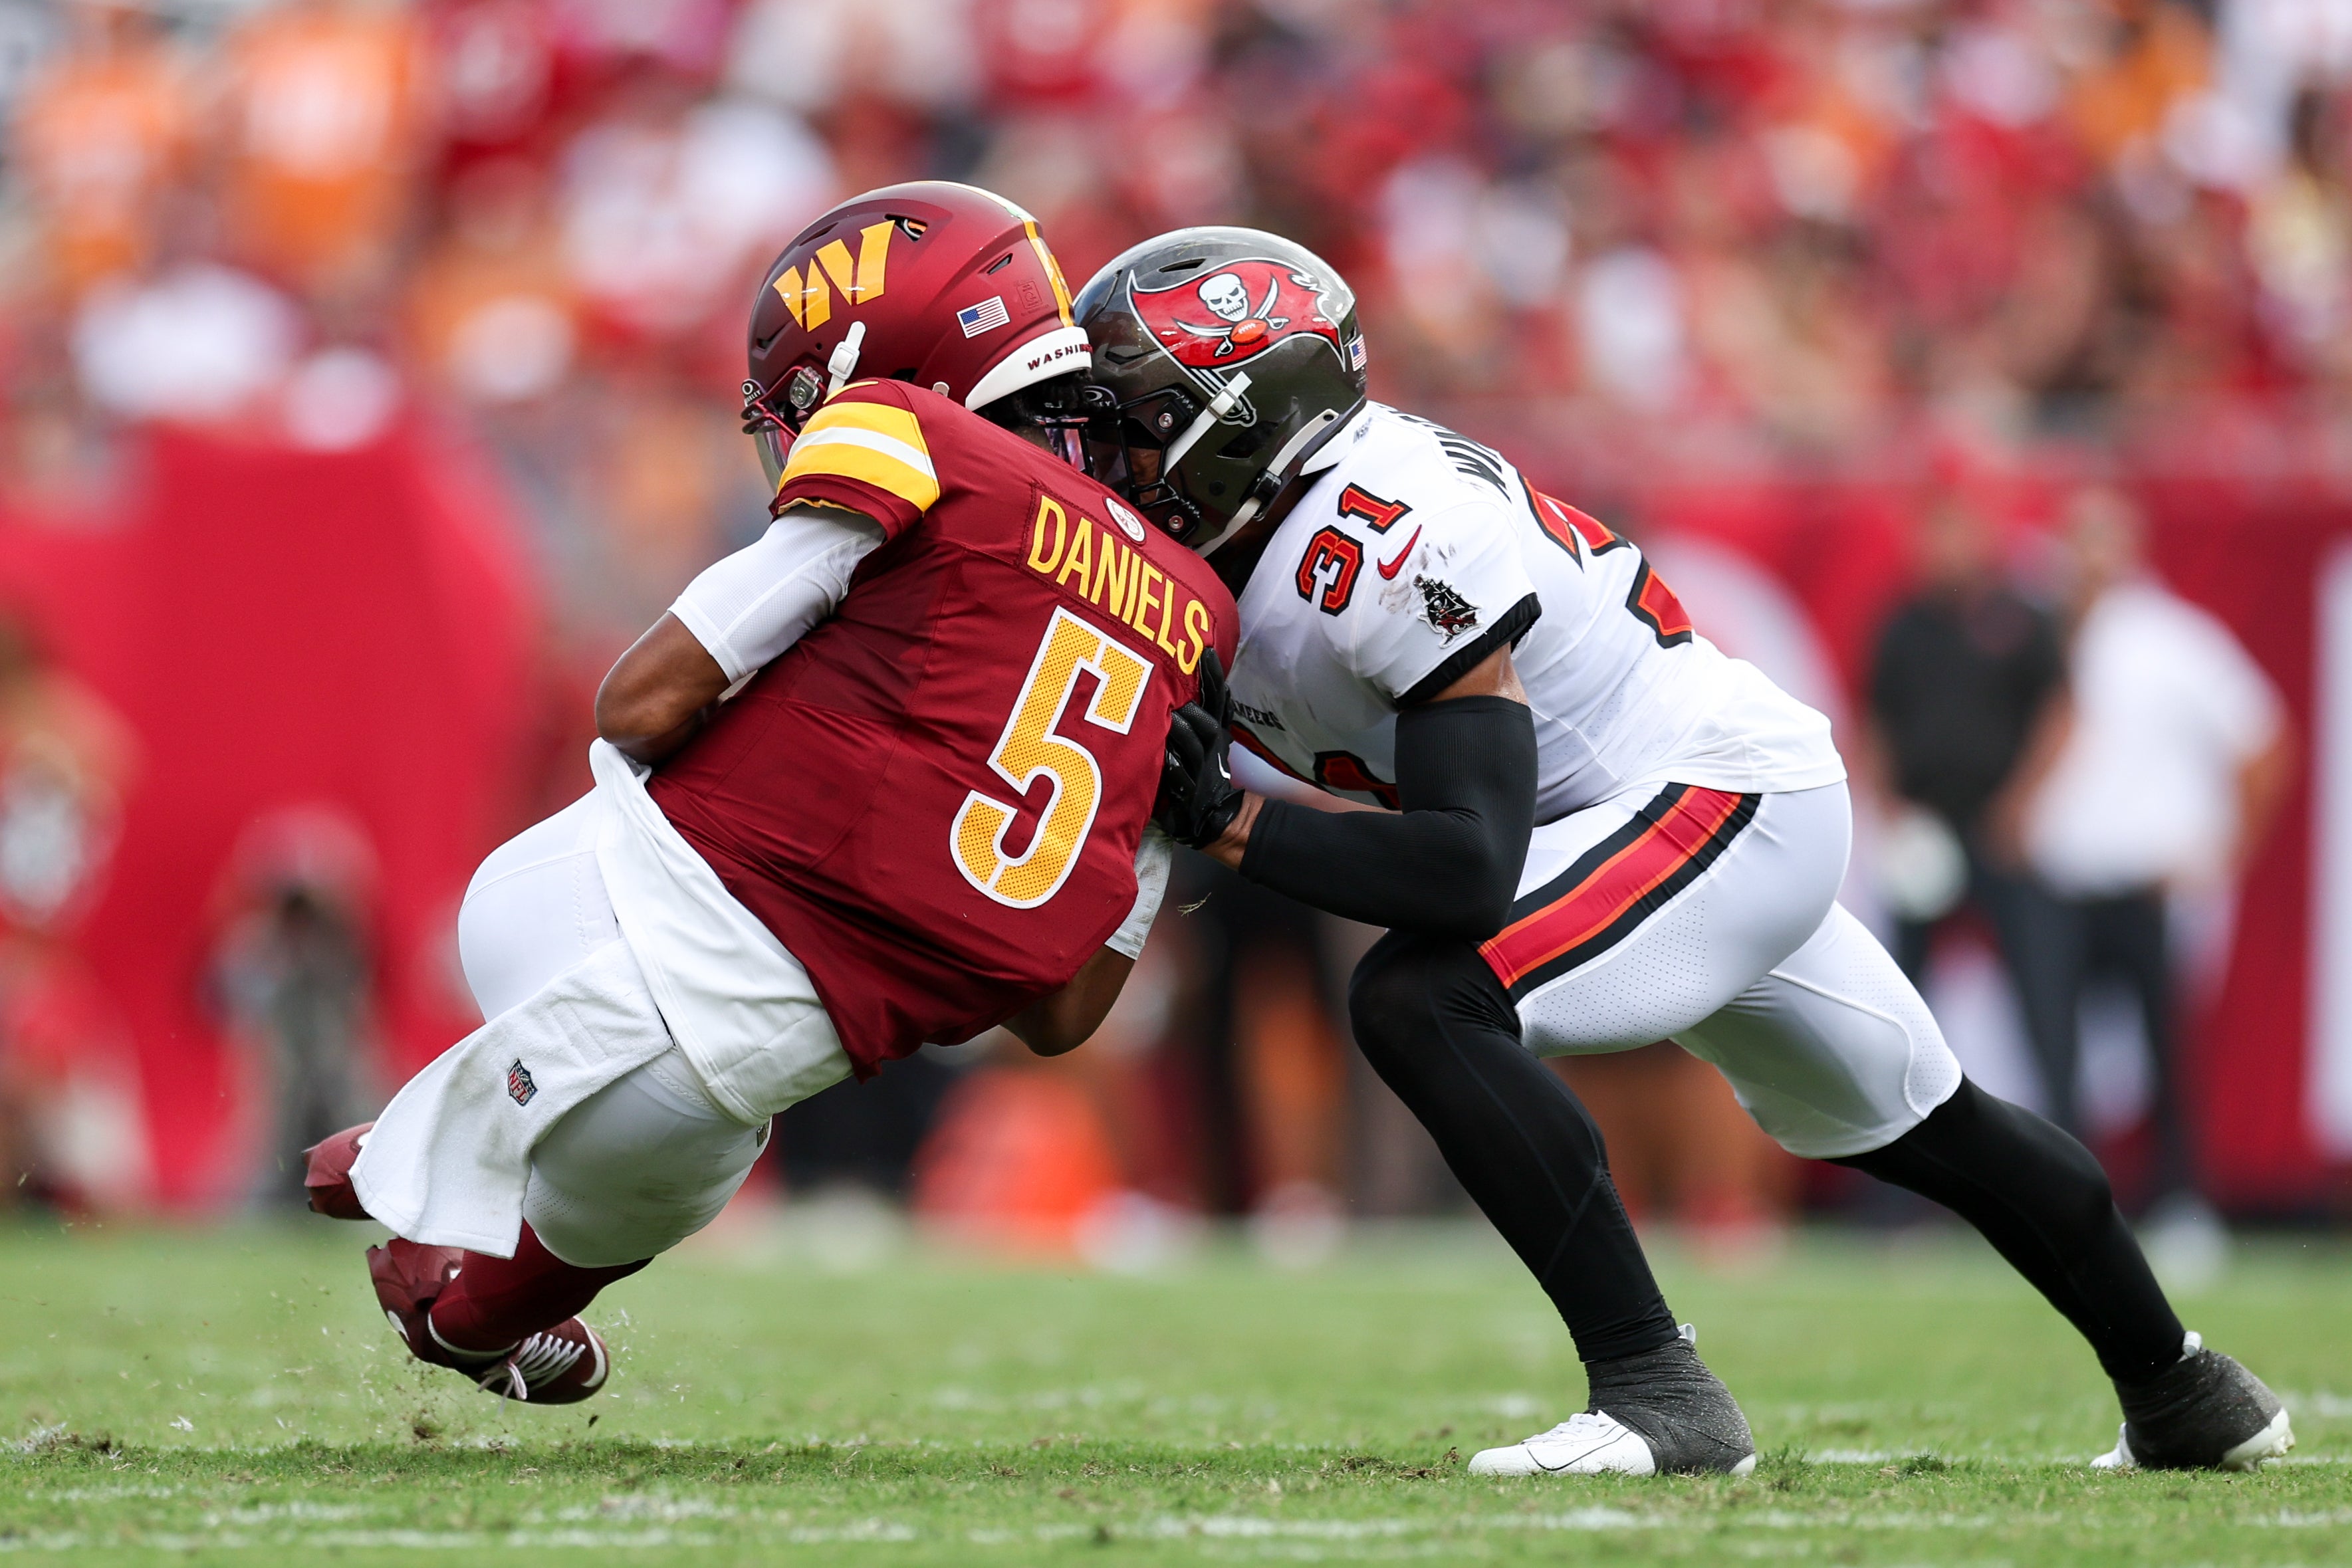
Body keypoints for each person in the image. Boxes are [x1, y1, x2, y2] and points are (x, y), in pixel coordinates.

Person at [1080, 227, 2292, 1476]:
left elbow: (1462, 870)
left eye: (1135, 418)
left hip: (1710, 795)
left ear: (1245, 421)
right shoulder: (1256, 523)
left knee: (1421, 995)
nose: (1102, 452)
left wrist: (1233, 820)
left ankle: (1657, 1389)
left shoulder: (1383, 539)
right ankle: (2189, 1390)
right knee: (1930, 1121)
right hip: (1659, 806)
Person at [302, 183, 1234, 1403]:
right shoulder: (1197, 621)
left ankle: (458, 1157)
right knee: (675, 1155)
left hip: (572, 916)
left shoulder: (912, 434)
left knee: (659, 998)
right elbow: (1063, 1020)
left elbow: (637, 703)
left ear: (901, 361)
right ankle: (481, 1305)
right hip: (712, 1114)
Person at [2022, 487, 2292, 1234]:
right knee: (2053, 1053)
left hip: (2143, 881)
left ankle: (2180, 1201)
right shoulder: (2039, 633)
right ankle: (2063, 1209)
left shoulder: (2173, 639)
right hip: (2055, 877)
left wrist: (2221, 850)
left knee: (2164, 1054)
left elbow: (2264, 741)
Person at [1866, 487, 2083, 1130]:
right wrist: (1890, 808)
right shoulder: (1902, 623)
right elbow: (1873, 717)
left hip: (1999, 829)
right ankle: (1891, 1169)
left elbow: (2060, 711)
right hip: (1928, 830)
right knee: (1901, 999)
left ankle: (2072, 1148)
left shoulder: (2020, 618)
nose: (1942, 550)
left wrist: (2021, 802)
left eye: (1956, 533)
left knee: (2042, 995)